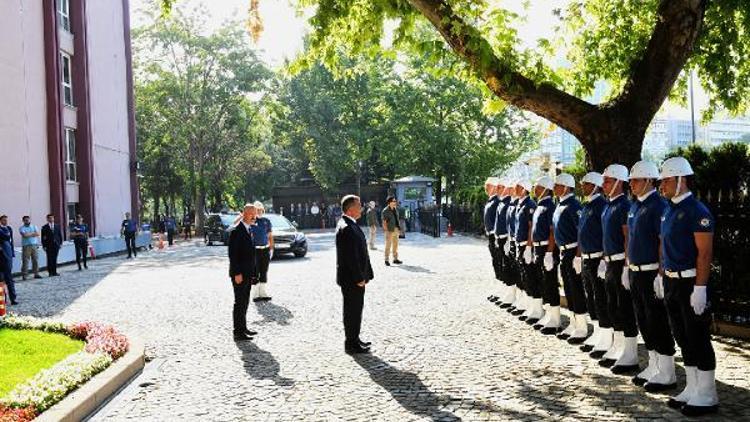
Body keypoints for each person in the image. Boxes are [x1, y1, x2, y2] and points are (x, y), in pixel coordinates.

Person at [659, 157, 718, 416]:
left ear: (681, 180)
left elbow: (704, 254)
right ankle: (693, 387)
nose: (662, 185)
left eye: (667, 180)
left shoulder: (697, 211)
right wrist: (661, 275)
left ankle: (707, 393)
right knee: (683, 336)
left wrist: (700, 287)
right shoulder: (669, 208)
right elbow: (665, 246)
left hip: (690, 281)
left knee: (698, 337)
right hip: (673, 280)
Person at [627, 160, 677, 391]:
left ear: (649, 180)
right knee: (644, 321)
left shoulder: (658, 204)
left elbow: (661, 241)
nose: (632, 184)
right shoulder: (635, 204)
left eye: (635, 180)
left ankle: (667, 371)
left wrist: (660, 273)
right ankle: (654, 364)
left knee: (657, 321)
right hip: (636, 271)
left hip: (650, 273)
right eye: (630, 180)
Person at [598, 164, 639, 374]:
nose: (603, 184)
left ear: (618, 183)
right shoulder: (608, 204)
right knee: (612, 305)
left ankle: (630, 352)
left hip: (621, 261)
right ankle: (618, 345)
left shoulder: (624, 205)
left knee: (624, 308)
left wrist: (626, 266)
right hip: (610, 261)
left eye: (606, 181)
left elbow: (627, 237)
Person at [551, 173, 587, 343]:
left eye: (557, 185)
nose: (554, 188)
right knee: (568, 290)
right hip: (564, 252)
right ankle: (573, 323)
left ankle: (581, 327)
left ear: (566, 186)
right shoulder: (561, 204)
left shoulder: (573, 205)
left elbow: (581, 231)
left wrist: (578, 256)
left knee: (576, 290)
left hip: (573, 252)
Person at [335, 194, 374, 354]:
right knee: (352, 310)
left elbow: (361, 252)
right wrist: (359, 277)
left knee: (356, 310)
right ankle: (351, 343)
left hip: (354, 278)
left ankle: (354, 338)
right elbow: (351, 257)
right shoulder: (346, 227)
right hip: (351, 279)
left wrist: (367, 274)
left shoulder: (350, 224)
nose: (362, 209)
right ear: (351, 209)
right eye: (359, 206)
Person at [577, 173, 609, 355]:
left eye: (587, 184)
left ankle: (606, 335)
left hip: (598, 257)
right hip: (587, 257)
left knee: (600, 298)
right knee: (591, 298)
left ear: (596, 185)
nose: (583, 187)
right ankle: (598, 331)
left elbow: (606, 234)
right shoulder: (587, 205)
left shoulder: (601, 205)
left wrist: (604, 259)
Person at [228, 203, 259, 341]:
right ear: (245, 214)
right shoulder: (237, 230)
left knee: (245, 301)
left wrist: (254, 273)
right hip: (239, 274)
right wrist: (237, 273)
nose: (254, 216)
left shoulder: (249, 229)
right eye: (252, 214)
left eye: (255, 214)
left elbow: (251, 254)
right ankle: (237, 332)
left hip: (247, 273)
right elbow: (233, 254)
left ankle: (243, 328)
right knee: (239, 302)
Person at [526, 176, 554, 326]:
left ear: (545, 189)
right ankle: (546, 314)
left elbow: (552, 231)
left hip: (545, 247)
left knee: (549, 282)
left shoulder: (549, 206)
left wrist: (549, 252)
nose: (534, 190)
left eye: (537, 187)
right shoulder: (539, 205)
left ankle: (554, 318)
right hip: (538, 247)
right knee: (542, 281)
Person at [512, 178, 536, 319]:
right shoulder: (519, 204)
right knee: (524, 276)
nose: (515, 189)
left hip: (526, 246)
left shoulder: (529, 204)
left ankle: (533, 307)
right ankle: (527, 304)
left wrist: (528, 246)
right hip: (519, 244)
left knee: (529, 276)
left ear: (524, 189)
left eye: (517, 187)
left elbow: (531, 226)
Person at [490, 178, 513, 306]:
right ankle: (506, 291)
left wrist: (507, 239)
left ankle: (512, 295)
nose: (498, 190)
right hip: (500, 237)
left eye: (500, 187)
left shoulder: (508, 203)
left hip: (506, 238)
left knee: (507, 266)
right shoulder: (502, 203)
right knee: (501, 265)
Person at [482, 177, 501, 298]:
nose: (486, 188)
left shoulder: (496, 202)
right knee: (496, 262)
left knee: (499, 262)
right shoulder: (491, 201)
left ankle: (503, 288)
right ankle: (500, 288)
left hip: (496, 235)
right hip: (491, 235)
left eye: (488, 186)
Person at [251, 202, 273, 302]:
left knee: (264, 271)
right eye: (257, 210)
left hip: (265, 249)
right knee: (255, 271)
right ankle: (255, 294)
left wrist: (272, 248)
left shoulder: (266, 221)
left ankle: (263, 293)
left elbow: (270, 236)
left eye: (261, 210)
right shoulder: (250, 221)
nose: (259, 211)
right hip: (254, 250)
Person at [0, 215, 17, 305]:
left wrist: (12, 253)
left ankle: (13, 298)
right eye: (3, 220)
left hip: (7, 257)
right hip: (1, 258)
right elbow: (6, 236)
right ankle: (3, 299)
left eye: (6, 220)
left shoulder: (8, 228)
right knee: (1, 280)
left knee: (9, 279)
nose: (5, 221)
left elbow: (10, 241)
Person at [19, 216, 42, 280]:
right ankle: (25, 275)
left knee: (35, 260)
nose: (27, 221)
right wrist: (32, 234)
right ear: (23, 221)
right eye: (26, 220)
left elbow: (37, 234)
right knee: (25, 261)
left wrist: (29, 234)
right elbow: (24, 235)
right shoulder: (21, 228)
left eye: (28, 220)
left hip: (34, 245)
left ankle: (36, 274)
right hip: (26, 246)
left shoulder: (34, 226)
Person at [382, 196, 402, 266]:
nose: (395, 202)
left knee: (395, 245)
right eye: (393, 201)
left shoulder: (395, 209)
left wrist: (399, 228)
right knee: (388, 245)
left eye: (395, 201)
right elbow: (384, 222)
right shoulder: (385, 211)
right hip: (389, 230)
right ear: (389, 202)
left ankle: (395, 259)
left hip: (395, 229)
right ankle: (386, 259)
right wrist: (386, 231)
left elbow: (397, 219)